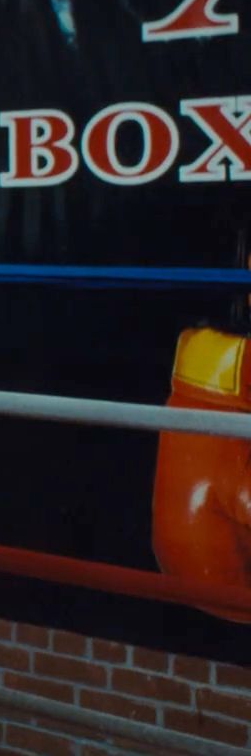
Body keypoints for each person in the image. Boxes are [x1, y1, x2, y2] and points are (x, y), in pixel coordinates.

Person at [152, 220, 251, 620]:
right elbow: (238, 491)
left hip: (181, 563)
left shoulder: (197, 342)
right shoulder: (237, 363)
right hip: (227, 577)